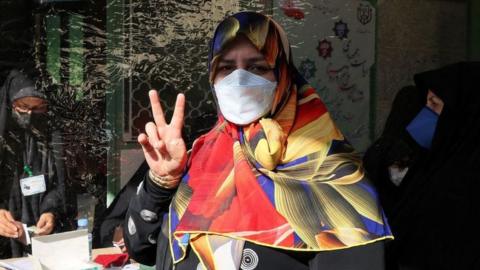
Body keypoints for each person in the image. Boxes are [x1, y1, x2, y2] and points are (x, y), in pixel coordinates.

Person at [125, 11, 393, 270]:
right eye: (226, 67)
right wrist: (160, 183)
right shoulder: (200, 159)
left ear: (283, 76)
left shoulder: (333, 175)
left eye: (256, 67)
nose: (239, 78)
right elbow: (142, 250)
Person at [365, 62, 480, 270]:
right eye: (426, 103)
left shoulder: (461, 183)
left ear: (461, 111)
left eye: (435, 105)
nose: (426, 115)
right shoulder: (434, 161)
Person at [0, 69, 68, 258]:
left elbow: (60, 184)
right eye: (23, 107)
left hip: (40, 241)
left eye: (38, 108)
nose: (30, 115)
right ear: (10, 104)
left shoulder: (50, 141)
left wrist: (50, 211)